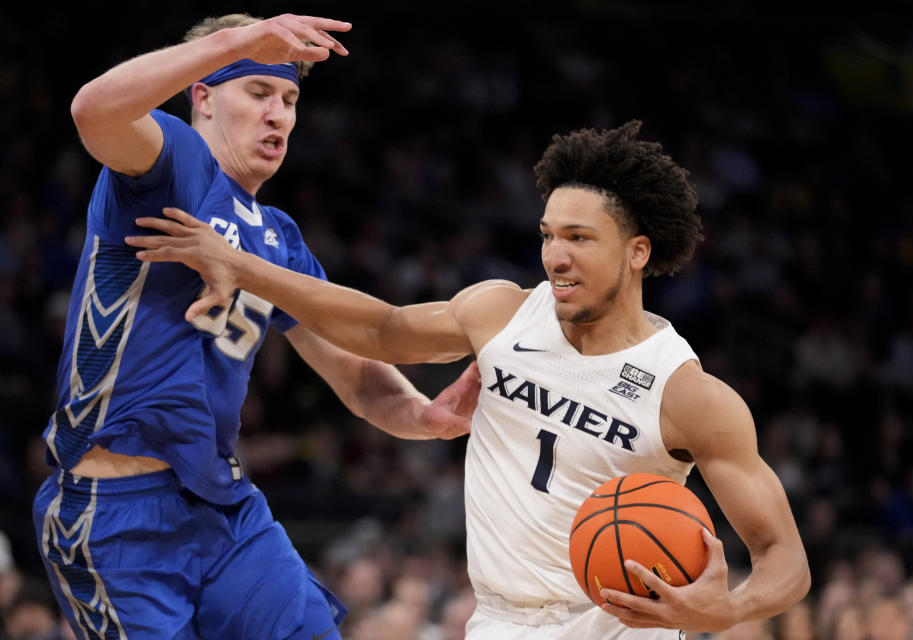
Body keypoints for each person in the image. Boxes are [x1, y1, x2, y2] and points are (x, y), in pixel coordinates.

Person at [127, 120, 811, 638]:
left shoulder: (689, 395)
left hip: (614, 626)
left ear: (637, 252)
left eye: (579, 238)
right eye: (548, 234)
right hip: (497, 621)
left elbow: (786, 560)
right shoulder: (502, 313)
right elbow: (379, 330)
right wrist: (242, 263)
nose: (555, 255)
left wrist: (731, 604)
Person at [34, 12, 481, 640]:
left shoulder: (279, 238)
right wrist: (233, 40)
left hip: (224, 508)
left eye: (291, 99)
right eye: (260, 92)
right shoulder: (175, 166)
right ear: (204, 97)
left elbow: (354, 372)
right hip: (117, 515)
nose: (281, 116)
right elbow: (92, 111)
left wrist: (419, 415)